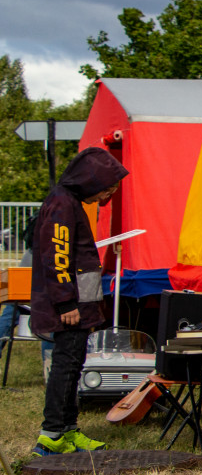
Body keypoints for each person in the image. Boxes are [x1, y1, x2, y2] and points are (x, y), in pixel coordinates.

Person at [30, 147, 128, 456]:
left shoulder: (70, 203)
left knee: (73, 367)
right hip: (67, 307)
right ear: (90, 179)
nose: (106, 196)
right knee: (65, 366)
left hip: (77, 305)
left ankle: (68, 430)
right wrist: (66, 303)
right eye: (106, 189)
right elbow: (57, 258)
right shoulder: (61, 205)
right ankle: (53, 434)